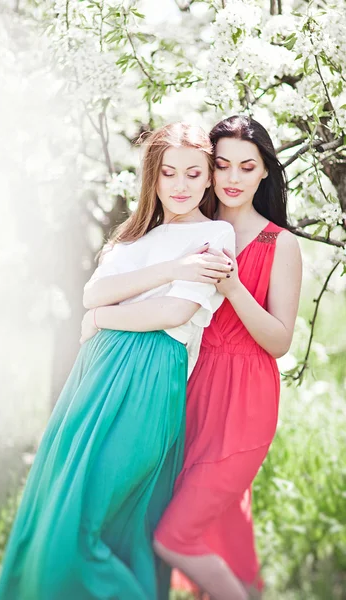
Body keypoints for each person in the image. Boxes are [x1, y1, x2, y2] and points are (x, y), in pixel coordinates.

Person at [0, 122, 235, 600]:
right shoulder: (131, 239)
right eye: (169, 173)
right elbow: (92, 291)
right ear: (154, 177)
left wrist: (104, 317)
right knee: (58, 510)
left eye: (193, 173)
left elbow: (174, 311)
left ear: (209, 178)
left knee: (93, 521)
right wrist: (170, 269)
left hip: (150, 374)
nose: (181, 185)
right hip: (93, 375)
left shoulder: (216, 232)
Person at [153, 115, 303, 600]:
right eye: (222, 166)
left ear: (264, 173)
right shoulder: (187, 227)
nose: (233, 178)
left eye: (247, 166)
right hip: (189, 389)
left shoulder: (280, 244)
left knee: (173, 536)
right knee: (221, 529)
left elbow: (279, 341)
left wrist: (234, 288)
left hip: (245, 402)